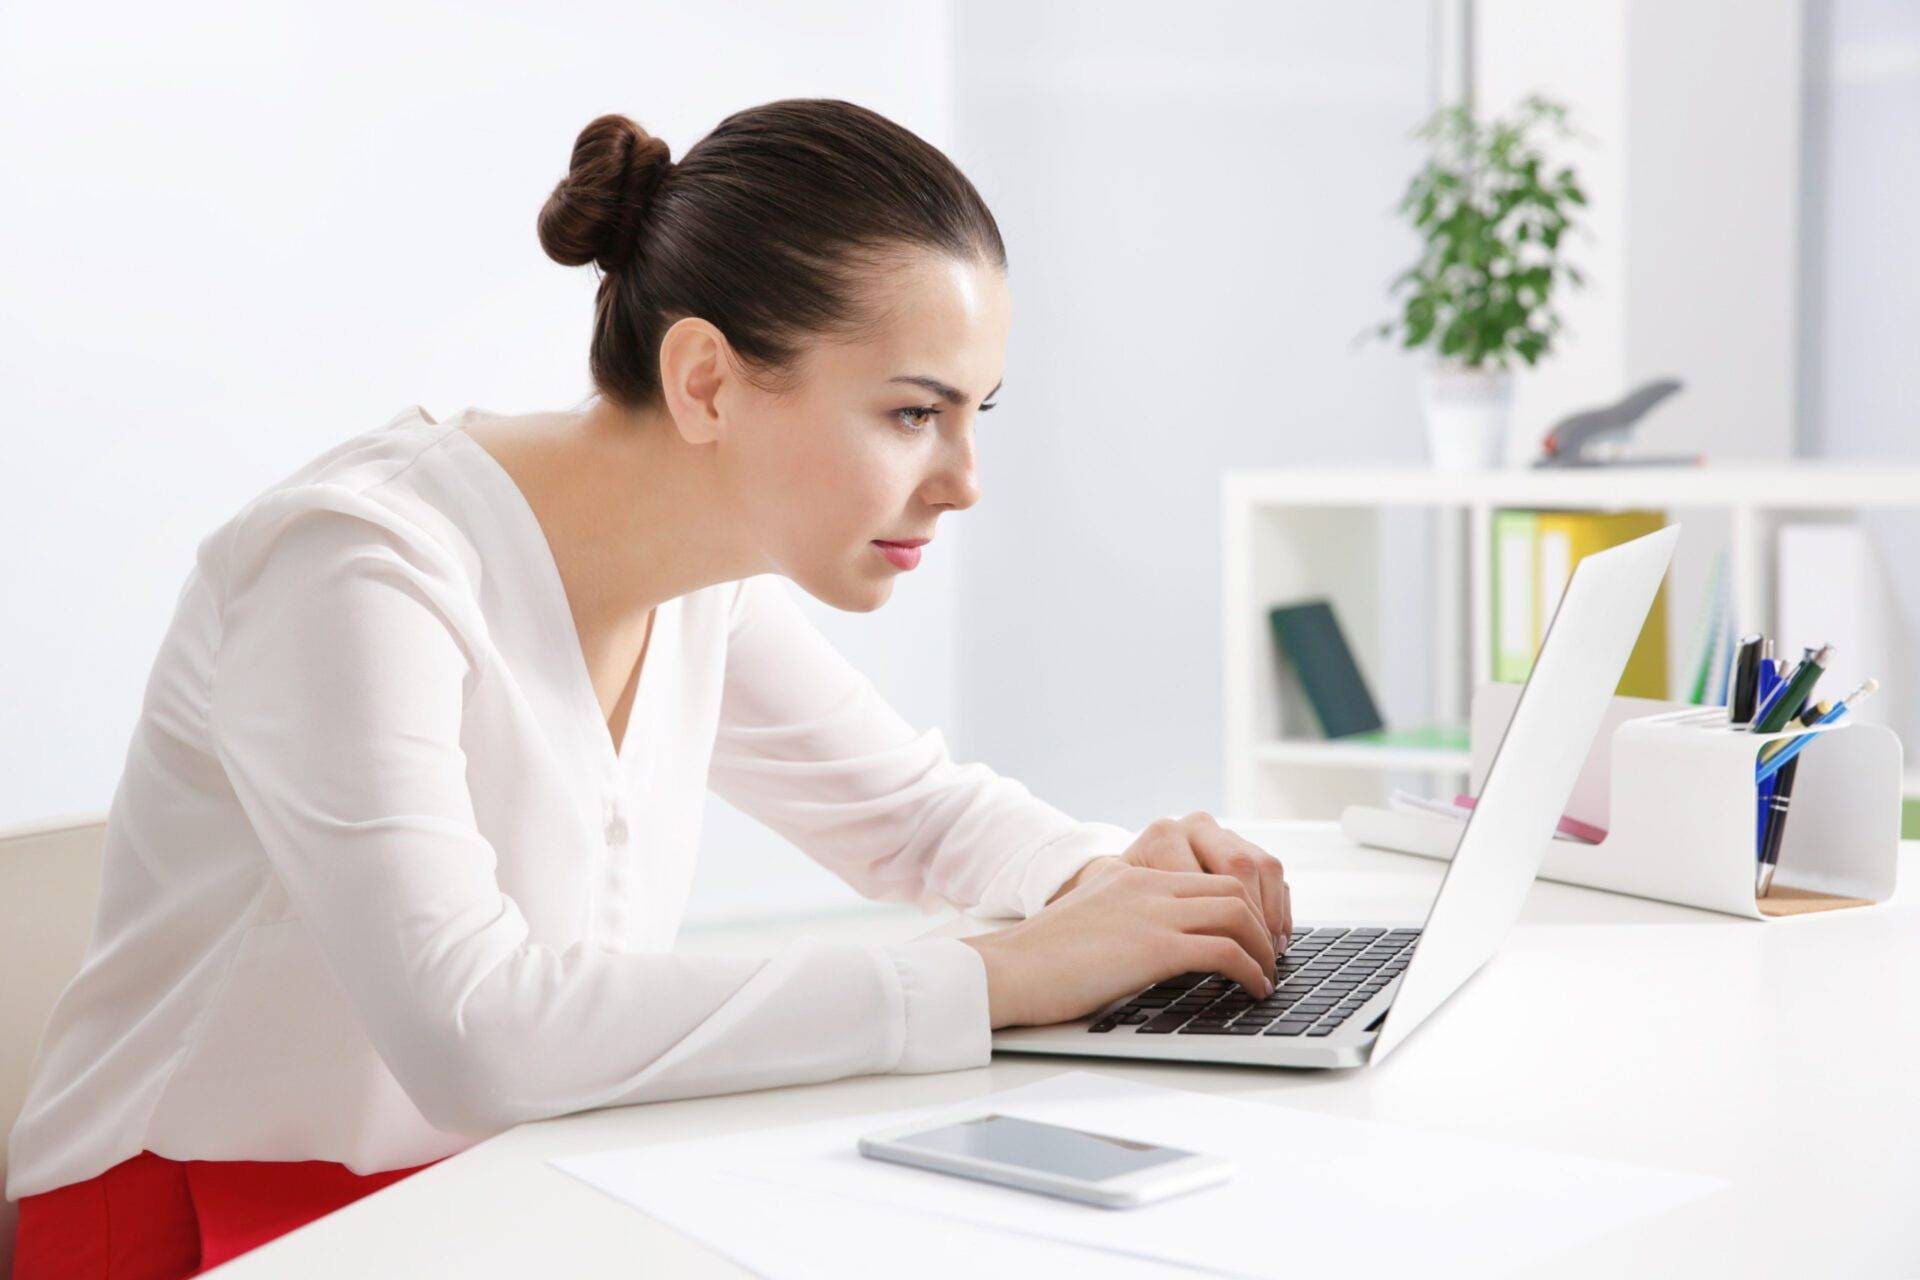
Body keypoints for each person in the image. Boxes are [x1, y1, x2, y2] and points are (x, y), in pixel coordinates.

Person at [6, 99, 1290, 1278]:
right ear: (706, 381)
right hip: (203, 1227)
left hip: (489, 1192)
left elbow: (914, 813)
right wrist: (999, 975)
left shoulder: (701, 578)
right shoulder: (358, 568)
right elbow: (476, 1030)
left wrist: (1110, 889)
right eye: (912, 414)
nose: (963, 478)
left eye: (975, 415)